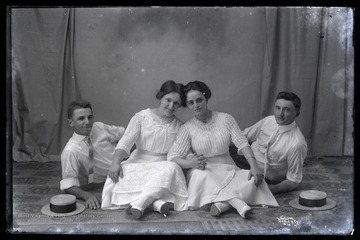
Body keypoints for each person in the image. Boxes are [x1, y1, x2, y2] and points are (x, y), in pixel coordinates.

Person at [167, 81, 279, 219]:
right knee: (202, 177)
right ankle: (236, 202)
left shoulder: (225, 119)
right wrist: (191, 164)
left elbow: (242, 142)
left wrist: (254, 165)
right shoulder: (187, 128)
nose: (196, 105)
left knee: (251, 179)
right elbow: (173, 156)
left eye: (199, 100)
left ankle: (222, 205)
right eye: (191, 103)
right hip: (204, 169)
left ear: (206, 97)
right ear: (188, 105)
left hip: (227, 166)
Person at [101, 80, 189, 220]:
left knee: (172, 168)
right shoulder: (142, 117)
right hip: (138, 161)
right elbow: (126, 140)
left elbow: (181, 151)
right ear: (161, 96)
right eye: (168, 100)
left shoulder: (180, 126)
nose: (171, 106)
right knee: (123, 170)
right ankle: (156, 204)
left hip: (163, 164)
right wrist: (115, 162)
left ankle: (141, 202)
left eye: (176, 103)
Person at [231, 91, 308, 194]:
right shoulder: (268, 121)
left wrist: (271, 190)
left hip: (264, 176)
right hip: (246, 160)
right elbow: (243, 136)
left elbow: (294, 181)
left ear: (297, 113)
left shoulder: (297, 143)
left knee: (238, 189)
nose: (280, 114)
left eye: (287, 110)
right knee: (217, 159)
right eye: (277, 108)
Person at [60, 100, 125, 210]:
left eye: (90, 117)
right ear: (70, 122)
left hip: (125, 166)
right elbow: (68, 185)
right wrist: (87, 195)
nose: (88, 122)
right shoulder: (70, 151)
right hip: (108, 181)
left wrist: (130, 154)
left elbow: (125, 134)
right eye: (81, 118)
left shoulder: (99, 127)